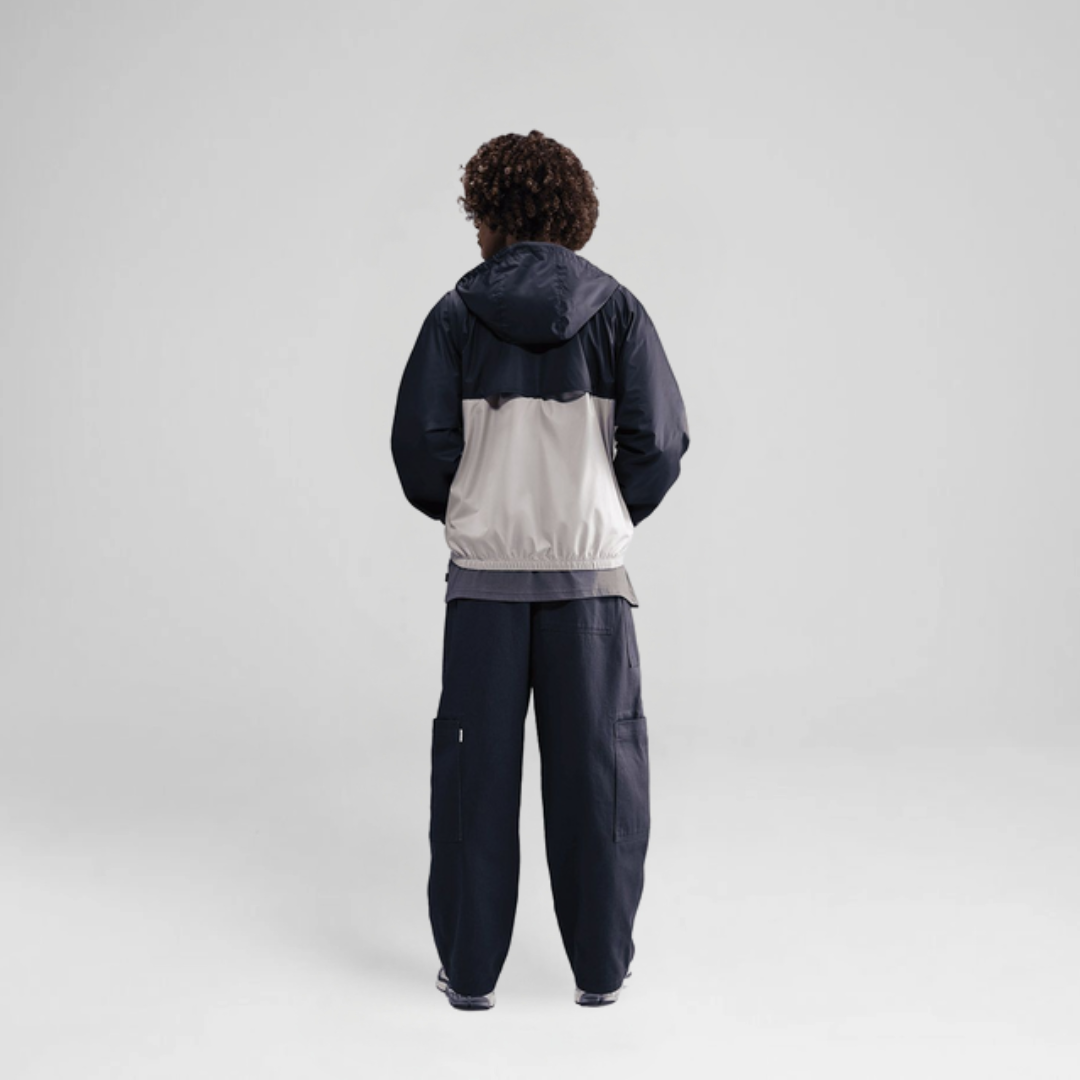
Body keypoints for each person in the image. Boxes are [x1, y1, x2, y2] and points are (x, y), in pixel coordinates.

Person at [390, 129, 690, 1010]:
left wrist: (473, 508)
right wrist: (603, 513)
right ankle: (600, 975)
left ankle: (470, 977)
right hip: (590, 588)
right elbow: (660, 442)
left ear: (488, 212)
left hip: (484, 589)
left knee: (473, 785)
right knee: (601, 781)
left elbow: (418, 449)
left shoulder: (454, 315)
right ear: (573, 212)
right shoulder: (619, 312)